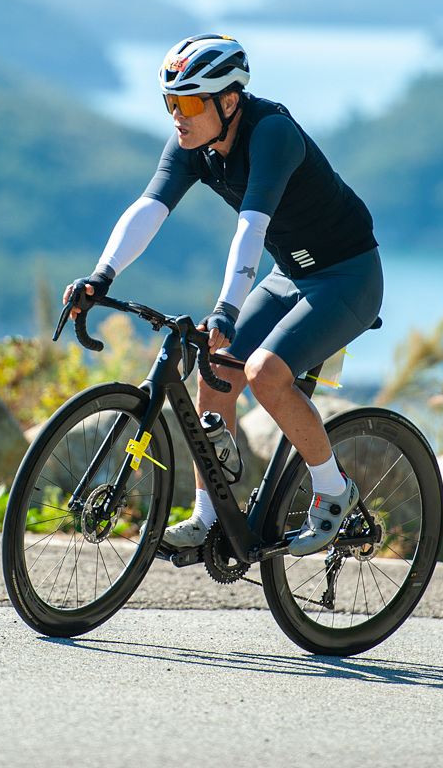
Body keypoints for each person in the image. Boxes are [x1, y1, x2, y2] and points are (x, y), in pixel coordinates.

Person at [64, 34, 382, 556]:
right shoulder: (192, 142)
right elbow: (148, 209)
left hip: (348, 279)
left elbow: (250, 229)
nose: (177, 116)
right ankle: (209, 517)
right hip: (287, 275)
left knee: (265, 374)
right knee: (214, 371)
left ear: (229, 100)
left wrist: (226, 311)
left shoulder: (271, 134)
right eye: (170, 102)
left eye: (189, 104)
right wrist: (102, 276)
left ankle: (333, 490)